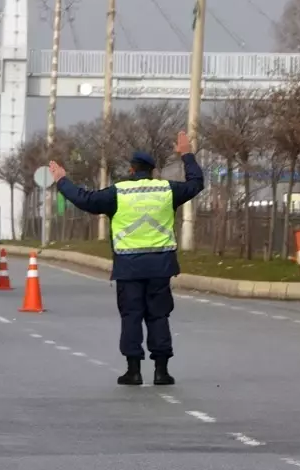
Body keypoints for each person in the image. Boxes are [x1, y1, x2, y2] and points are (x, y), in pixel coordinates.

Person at [48, 131, 204, 386]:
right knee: (159, 316)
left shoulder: (118, 193)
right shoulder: (167, 190)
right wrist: (187, 154)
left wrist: (62, 181)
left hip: (129, 267)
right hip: (160, 266)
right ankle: (161, 371)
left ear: (131, 169)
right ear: (153, 171)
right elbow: (196, 183)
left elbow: (84, 200)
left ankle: (133, 371)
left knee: (131, 316)